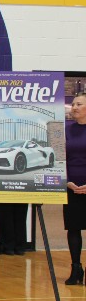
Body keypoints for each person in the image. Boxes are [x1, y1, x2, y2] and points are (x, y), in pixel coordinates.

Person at [63, 91, 86, 285]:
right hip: (71, 186)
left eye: (79, 104)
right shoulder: (67, 129)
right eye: (73, 104)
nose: (75, 107)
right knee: (73, 228)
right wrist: (67, 181)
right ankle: (76, 268)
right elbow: (60, 159)